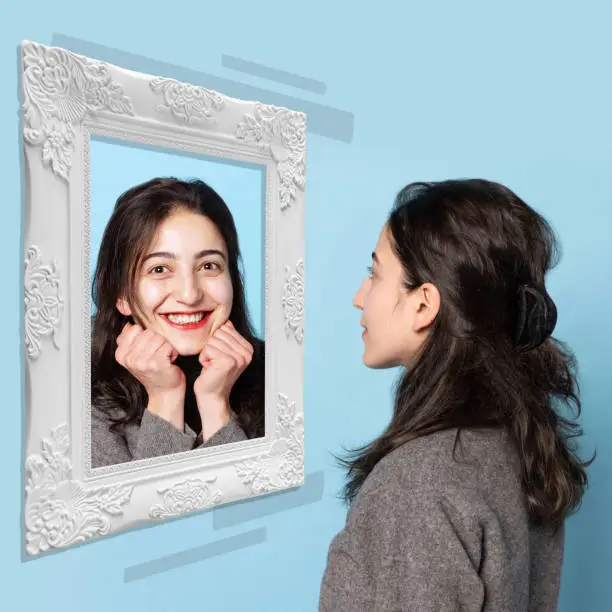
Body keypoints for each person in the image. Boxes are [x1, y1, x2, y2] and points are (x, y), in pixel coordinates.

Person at [319, 179, 593, 611]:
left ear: (424, 305)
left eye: (374, 274)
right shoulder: (520, 441)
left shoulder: (416, 486)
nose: (359, 297)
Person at [90, 177, 264, 469]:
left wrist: (216, 405)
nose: (190, 294)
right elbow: (147, 510)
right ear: (121, 295)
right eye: (159, 269)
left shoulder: (275, 374)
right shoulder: (73, 390)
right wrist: (166, 399)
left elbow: (252, 508)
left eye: (208, 266)